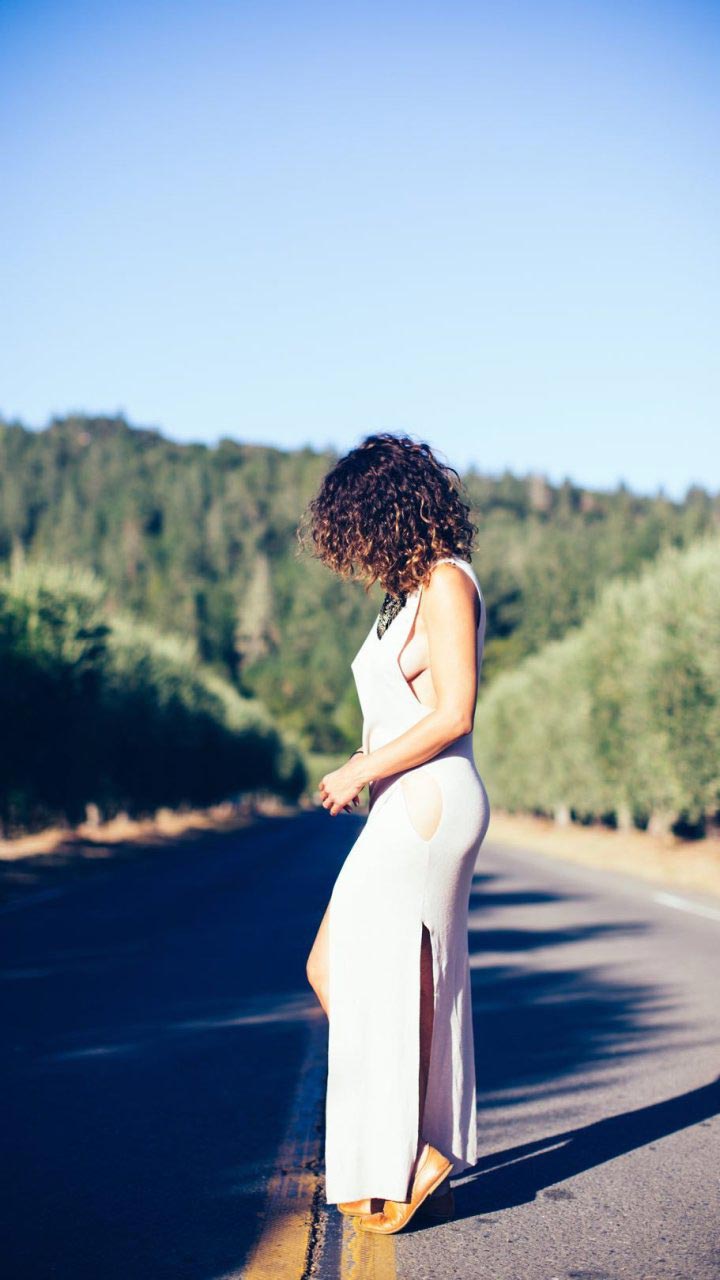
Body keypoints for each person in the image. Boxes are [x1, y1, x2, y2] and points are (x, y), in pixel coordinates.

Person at [300, 432, 490, 1234]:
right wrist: (367, 764)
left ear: (387, 512)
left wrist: (363, 768)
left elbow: (454, 713)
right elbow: (405, 708)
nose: (350, 549)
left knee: (358, 970)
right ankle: (419, 1154)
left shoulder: (445, 582)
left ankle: (408, 1153)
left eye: (354, 526)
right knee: (370, 976)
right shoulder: (404, 592)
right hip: (403, 798)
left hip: (429, 801)